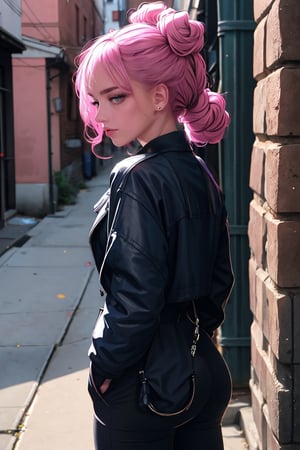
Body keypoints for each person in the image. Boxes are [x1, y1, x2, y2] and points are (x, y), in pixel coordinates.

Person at [75, 3, 234, 449]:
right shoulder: (201, 172)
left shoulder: (136, 175)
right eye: (97, 100)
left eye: (116, 97)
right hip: (203, 371)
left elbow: (134, 298)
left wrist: (104, 367)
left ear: (160, 97)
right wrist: (191, 339)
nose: (102, 114)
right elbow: (220, 280)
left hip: (143, 385)